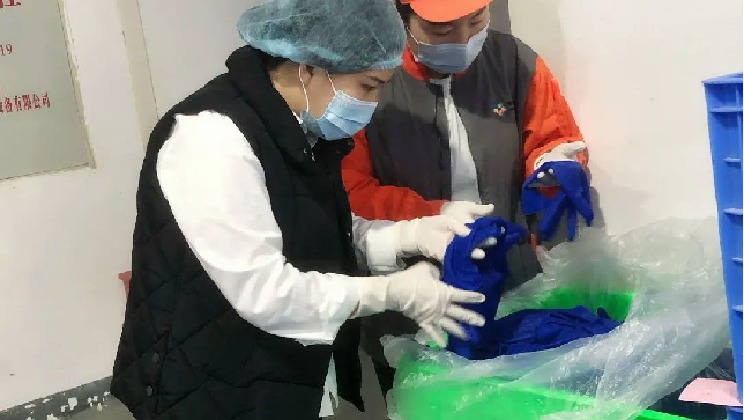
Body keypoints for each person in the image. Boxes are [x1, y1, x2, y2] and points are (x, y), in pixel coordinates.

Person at [109, 1, 489, 419]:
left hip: (282, 379)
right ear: (308, 67)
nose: (374, 103)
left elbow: (312, 227)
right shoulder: (212, 139)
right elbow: (265, 292)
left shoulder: (301, 127)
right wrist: (390, 293)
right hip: (211, 387)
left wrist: (407, 235)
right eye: (367, 86)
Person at [340, 0, 592, 397]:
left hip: (512, 282)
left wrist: (554, 165)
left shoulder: (514, 61)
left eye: (476, 21)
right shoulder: (368, 79)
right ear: (403, 16)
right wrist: (435, 217)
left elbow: (551, 134)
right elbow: (349, 193)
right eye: (442, 30)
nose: (462, 39)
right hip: (414, 293)